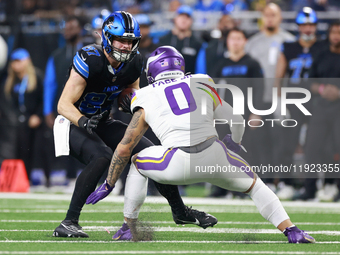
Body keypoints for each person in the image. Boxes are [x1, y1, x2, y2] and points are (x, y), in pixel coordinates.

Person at [86, 46, 315, 244]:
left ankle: (129, 228)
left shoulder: (144, 96)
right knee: (256, 186)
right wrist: (233, 143)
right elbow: (236, 120)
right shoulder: (202, 81)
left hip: (175, 164)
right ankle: (291, 230)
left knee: (137, 162)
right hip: (214, 156)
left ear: (152, 72)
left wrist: (109, 183)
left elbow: (125, 147)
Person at [52, 11, 217, 238]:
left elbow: (131, 96)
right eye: (121, 40)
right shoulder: (89, 58)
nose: (125, 46)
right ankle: (69, 221)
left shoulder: (134, 62)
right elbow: (62, 104)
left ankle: (179, 211)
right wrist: (83, 120)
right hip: (72, 121)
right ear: (107, 38)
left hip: (101, 120)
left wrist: (129, 102)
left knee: (151, 152)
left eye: (130, 42)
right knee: (101, 156)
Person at [274, 7, 326, 200]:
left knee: (318, 145)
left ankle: (319, 184)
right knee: (287, 143)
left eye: (310, 25)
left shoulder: (323, 46)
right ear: (298, 27)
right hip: (293, 101)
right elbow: (278, 78)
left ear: (315, 26)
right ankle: (287, 183)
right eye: (304, 25)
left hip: (317, 102)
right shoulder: (288, 47)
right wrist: (278, 102)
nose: (307, 29)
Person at [245, 3, 295, 190]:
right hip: (258, 100)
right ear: (262, 17)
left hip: (281, 99)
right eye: (267, 15)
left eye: (274, 15)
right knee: (260, 142)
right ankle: (264, 182)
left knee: (282, 142)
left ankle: (283, 181)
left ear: (280, 17)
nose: (270, 18)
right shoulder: (252, 43)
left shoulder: (289, 41)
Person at [210, 28, 264, 197]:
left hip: (245, 115)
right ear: (227, 42)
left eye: (239, 38)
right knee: (219, 151)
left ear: (244, 41)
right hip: (223, 115)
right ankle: (219, 188)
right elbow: (211, 91)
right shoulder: (220, 64)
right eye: (232, 38)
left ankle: (243, 187)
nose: (235, 42)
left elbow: (259, 90)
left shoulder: (252, 64)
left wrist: (256, 113)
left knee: (245, 151)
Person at [296, 21, 340, 202]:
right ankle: (310, 188)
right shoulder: (320, 55)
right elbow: (308, 82)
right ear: (328, 35)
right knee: (312, 147)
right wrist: (322, 89)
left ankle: (334, 185)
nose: (336, 36)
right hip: (321, 107)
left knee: (336, 148)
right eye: (334, 32)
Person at [3, 48, 44, 181]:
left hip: (34, 120)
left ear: (27, 61)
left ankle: (36, 178)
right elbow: (9, 103)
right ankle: (17, 179)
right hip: (17, 121)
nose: (16, 64)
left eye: (19, 61)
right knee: (16, 150)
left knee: (33, 149)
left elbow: (44, 99)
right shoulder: (10, 81)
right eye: (14, 62)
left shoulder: (37, 77)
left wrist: (38, 116)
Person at [158, 5, 202, 74]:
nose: (184, 20)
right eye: (181, 16)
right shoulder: (163, 41)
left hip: (188, 82)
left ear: (191, 21)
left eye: (187, 17)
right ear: (175, 18)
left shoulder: (197, 44)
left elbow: (200, 68)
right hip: (167, 82)